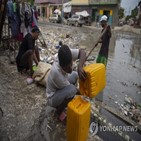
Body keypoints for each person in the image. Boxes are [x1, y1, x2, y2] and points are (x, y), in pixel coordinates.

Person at [46, 45, 86, 121]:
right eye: (66, 68)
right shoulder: (56, 73)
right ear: (61, 66)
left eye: (71, 64)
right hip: (52, 97)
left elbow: (83, 52)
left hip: (59, 88)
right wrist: (85, 92)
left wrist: (80, 66)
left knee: (74, 74)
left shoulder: (66, 54)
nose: (70, 69)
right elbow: (74, 90)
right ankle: (59, 112)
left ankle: (63, 102)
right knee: (72, 90)